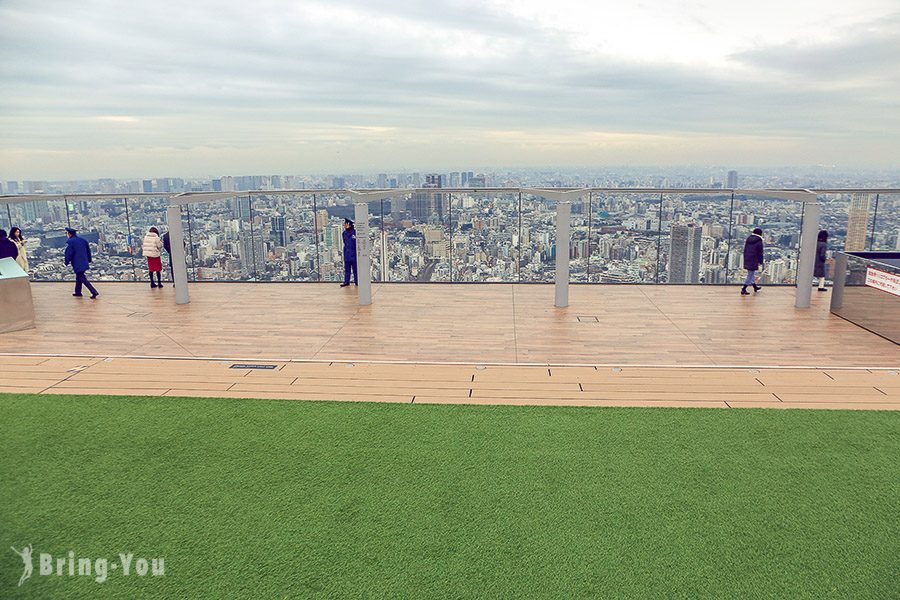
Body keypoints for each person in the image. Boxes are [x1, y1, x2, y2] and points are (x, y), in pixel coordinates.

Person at [64, 227, 98, 298]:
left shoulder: (70, 242)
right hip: (84, 261)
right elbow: (88, 251)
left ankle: (93, 291)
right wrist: (89, 260)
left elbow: (69, 253)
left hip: (77, 263)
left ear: (69, 234)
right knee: (79, 277)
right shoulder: (83, 240)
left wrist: (66, 262)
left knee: (82, 278)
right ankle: (78, 292)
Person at [741, 227, 764, 296]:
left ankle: (755, 287)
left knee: (751, 273)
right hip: (754, 259)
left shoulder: (748, 239)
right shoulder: (759, 241)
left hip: (747, 258)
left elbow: (745, 250)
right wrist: (760, 261)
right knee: (750, 274)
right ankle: (743, 288)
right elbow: (760, 252)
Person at [341, 218, 358, 287]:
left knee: (355, 269)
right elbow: (345, 242)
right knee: (347, 269)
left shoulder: (355, 232)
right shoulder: (344, 233)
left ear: (349, 224)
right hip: (347, 254)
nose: (344, 225)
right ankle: (346, 281)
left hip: (354, 254)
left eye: (345, 224)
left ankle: (357, 281)